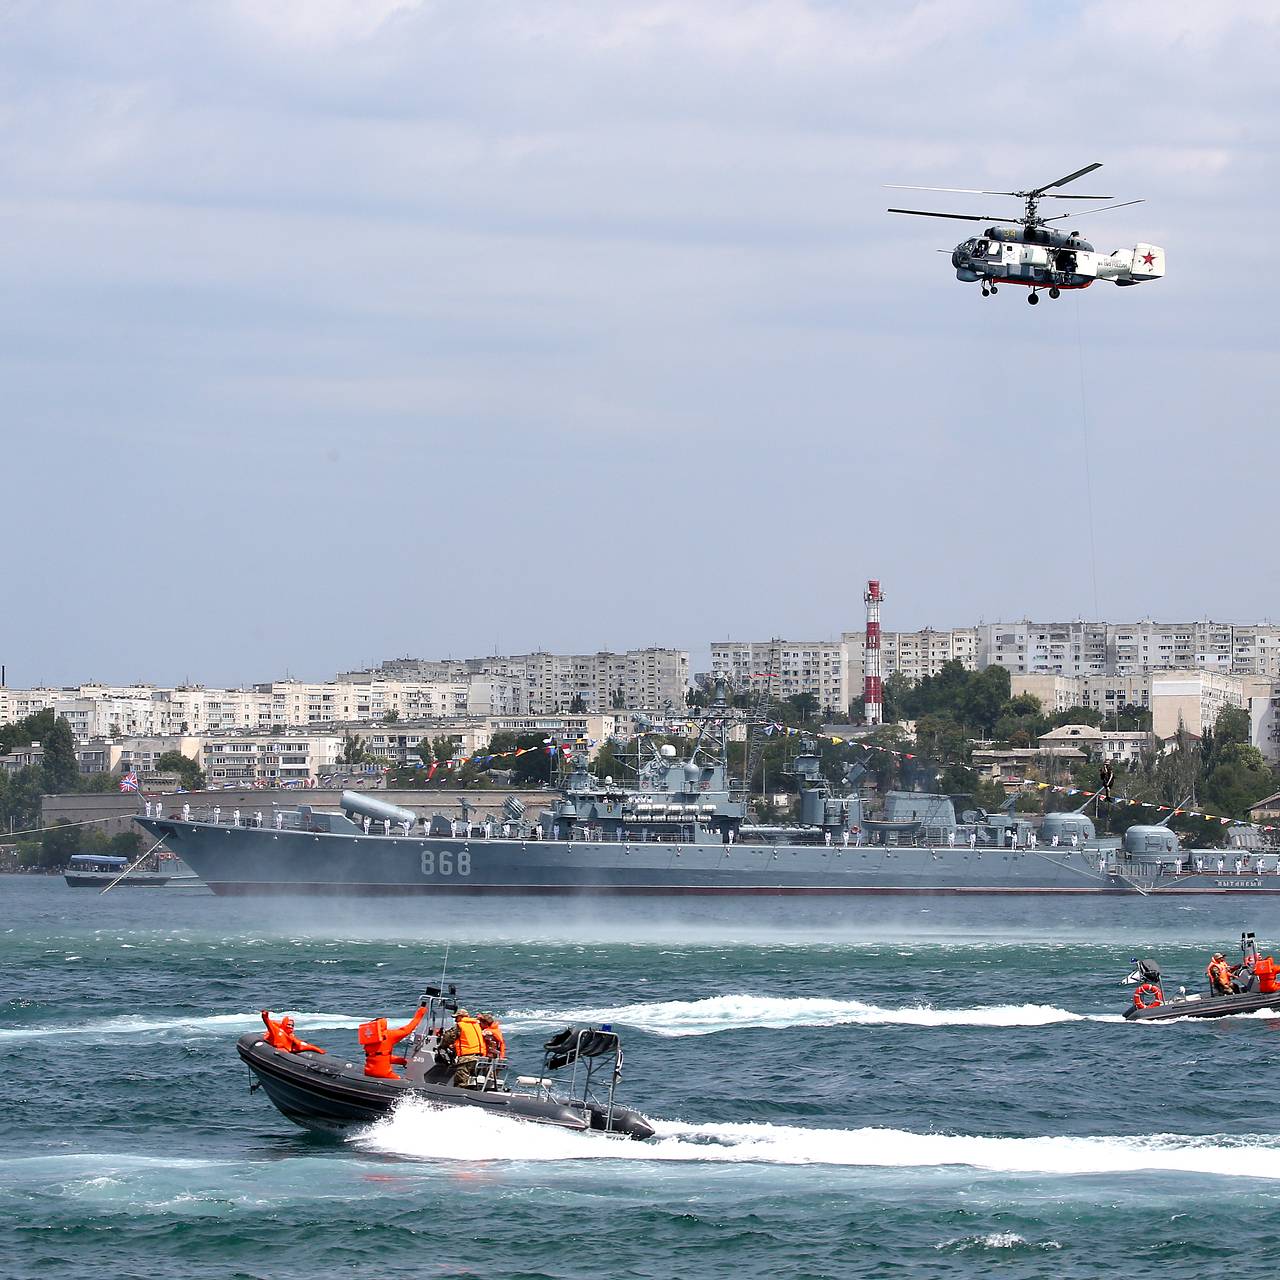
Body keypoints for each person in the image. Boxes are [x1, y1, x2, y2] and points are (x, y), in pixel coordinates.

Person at [359, 1004, 427, 1079]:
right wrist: (420, 1013)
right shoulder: (389, 1035)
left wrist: (403, 1061)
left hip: (369, 1072)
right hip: (384, 1074)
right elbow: (408, 1029)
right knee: (402, 1083)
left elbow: (380, 1057)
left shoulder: (369, 1039)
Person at [440, 1007, 489, 1086]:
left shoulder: (460, 1025)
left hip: (466, 1058)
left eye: (456, 1017)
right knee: (471, 1081)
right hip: (479, 1057)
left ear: (461, 1017)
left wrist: (442, 1046)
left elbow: (448, 1037)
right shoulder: (476, 1025)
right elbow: (467, 1039)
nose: (455, 1020)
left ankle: (458, 1095)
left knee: (460, 1082)